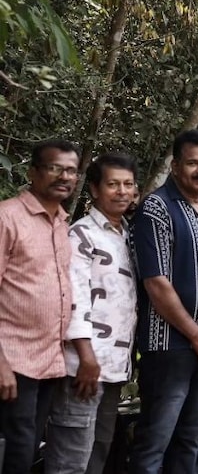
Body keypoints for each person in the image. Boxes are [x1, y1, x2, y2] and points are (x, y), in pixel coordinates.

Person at [129, 129, 198, 472]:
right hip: (169, 347)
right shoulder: (156, 208)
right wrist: (195, 334)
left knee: (191, 439)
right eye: (193, 163)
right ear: (176, 166)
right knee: (155, 439)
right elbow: (156, 283)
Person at [42, 152, 137, 474]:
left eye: (128, 184)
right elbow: (74, 299)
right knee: (71, 454)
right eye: (113, 184)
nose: (122, 191)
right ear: (95, 189)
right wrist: (85, 357)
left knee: (99, 450)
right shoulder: (81, 234)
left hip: (115, 366)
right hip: (83, 365)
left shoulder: (128, 234)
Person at [0, 139, 79, 474]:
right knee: (18, 447)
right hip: (13, 358)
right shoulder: (7, 217)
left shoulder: (61, 223)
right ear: (33, 172)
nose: (64, 176)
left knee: (30, 445)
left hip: (48, 360)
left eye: (71, 170)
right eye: (54, 168)